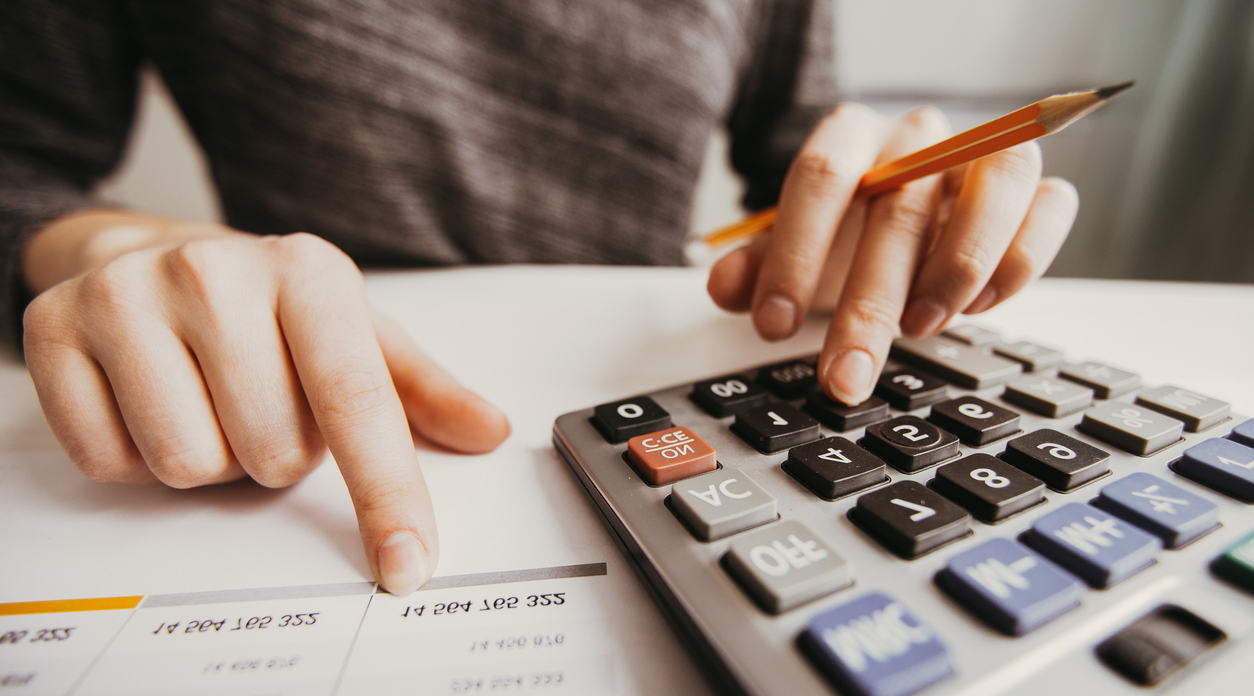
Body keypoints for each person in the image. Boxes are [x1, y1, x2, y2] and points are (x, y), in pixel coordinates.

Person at [1, 0, 1078, 594]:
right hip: (305, 405)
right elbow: (20, 156)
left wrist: (879, 209)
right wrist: (123, 245)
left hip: (672, 389)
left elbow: (797, 155)